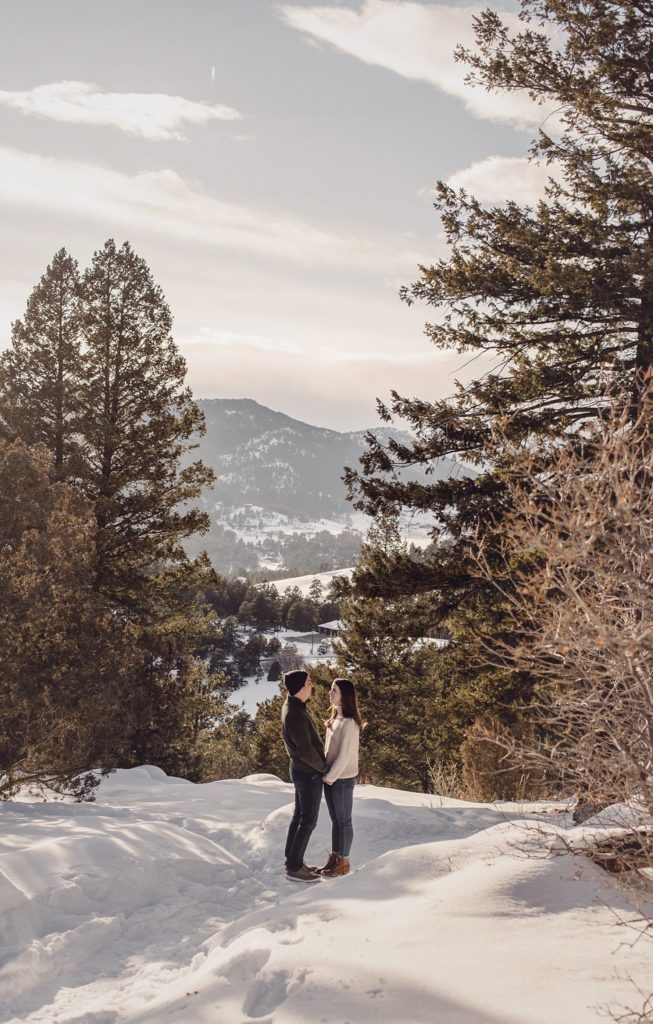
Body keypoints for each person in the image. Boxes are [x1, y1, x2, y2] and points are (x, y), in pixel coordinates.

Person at [281, 669, 326, 882]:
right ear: (300, 687)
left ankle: (292, 860)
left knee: (299, 816)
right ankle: (295, 867)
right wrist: (325, 768)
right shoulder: (295, 714)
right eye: (308, 682)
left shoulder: (294, 706)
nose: (312, 685)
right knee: (308, 820)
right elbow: (306, 752)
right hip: (308, 773)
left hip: (300, 770)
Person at [320, 677, 362, 878]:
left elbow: (345, 755)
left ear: (344, 695)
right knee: (336, 821)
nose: (330, 693)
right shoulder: (334, 719)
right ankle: (335, 857)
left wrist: (331, 776)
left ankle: (344, 861)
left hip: (342, 780)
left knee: (344, 821)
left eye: (334, 690)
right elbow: (329, 751)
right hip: (330, 778)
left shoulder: (350, 723)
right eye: (331, 689)